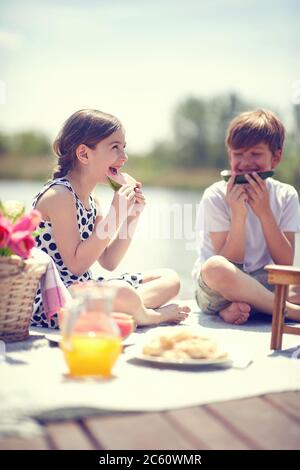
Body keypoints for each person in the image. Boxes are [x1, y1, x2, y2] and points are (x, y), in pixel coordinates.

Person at [31, 109, 190, 329]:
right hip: (55, 299)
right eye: (115, 147)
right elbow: (77, 265)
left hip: (85, 290)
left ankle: (126, 311)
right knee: (123, 292)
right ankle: (149, 316)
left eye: (123, 148)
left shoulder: (92, 201)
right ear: (84, 154)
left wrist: (132, 216)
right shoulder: (60, 196)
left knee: (169, 279)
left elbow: (109, 261)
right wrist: (114, 216)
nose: (124, 157)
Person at [193, 109, 300, 324]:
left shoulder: (286, 195)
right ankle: (288, 311)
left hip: (263, 284)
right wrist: (238, 215)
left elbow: (285, 262)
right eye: (238, 154)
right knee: (216, 268)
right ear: (229, 155)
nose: (245, 162)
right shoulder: (215, 195)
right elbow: (229, 261)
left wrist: (264, 212)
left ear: (276, 157)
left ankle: (242, 308)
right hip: (218, 287)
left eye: (256, 154)